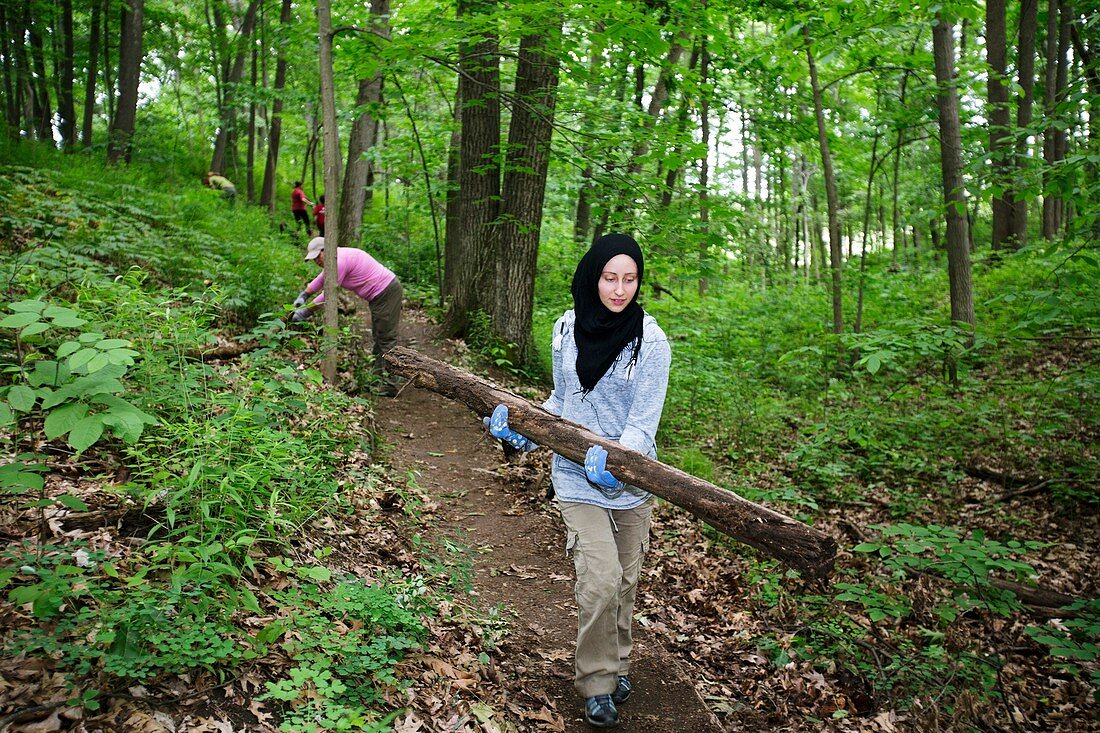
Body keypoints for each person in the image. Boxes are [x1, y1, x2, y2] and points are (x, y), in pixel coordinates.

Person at [483, 233, 671, 728]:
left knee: (626, 581)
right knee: (601, 579)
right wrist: (523, 430)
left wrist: (617, 462)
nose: (619, 289)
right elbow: (562, 403)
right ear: (593, 276)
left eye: (629, 279)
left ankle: (620, 663)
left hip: (631, 480)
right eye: (610, 277)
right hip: (573, 475)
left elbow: (642, 426)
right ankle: (597, 680)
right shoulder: (566, 328)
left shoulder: (651, 342)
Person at [291, 237, 403, 396]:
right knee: (379, 338)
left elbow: (329, 291)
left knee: (386, 339)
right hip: (380, 296)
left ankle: (390, 385)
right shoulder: (336, 258)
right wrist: (304, 294)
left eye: (317, 256)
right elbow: (322, 279)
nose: (316, 261)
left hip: (386, 293)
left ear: (326, 250)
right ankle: (378, 379)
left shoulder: (339, 261)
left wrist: (306, 311)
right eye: (313, 259)